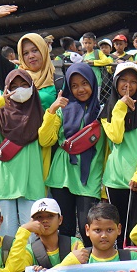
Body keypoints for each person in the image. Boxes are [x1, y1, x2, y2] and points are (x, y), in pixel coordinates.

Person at [0, 69, 60, 237]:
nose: (19, 90)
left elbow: (46, 140)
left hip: (32, 182)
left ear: (32, 88)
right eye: (14, 86)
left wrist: (51, 113)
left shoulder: (42, 115)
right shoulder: (0, 114)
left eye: (24, 85)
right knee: (5, 235)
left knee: (32, 237)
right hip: (4, 183)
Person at [45, 64, 105, 242]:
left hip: (90, 175)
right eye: (74, 85)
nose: (80, 89)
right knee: (65, 228)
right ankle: (67, 260)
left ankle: (91, 259)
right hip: (62, 175)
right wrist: (52, 110)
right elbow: (45, 139)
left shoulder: (102, 112)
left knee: (88, 227)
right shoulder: (62, 110)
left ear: (93, 83)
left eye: (85, 83)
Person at [101, 63, 137, 245]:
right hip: (114, 180)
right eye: (123, 80)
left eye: (133, 81)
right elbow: (116, 137)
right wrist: (120, 107)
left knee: (136, 236)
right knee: (116, 236)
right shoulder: (106, 111)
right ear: (115, 82)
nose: (128, 85)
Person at [0, 5, 61, 111]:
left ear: (44, 51)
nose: (31, 56)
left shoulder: (58, 80)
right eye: (25, 53)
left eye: (35, 50)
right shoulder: (12, 74)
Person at [4, 198, 86, 272]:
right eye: (39, 217)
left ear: (60, 220)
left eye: (50, 216)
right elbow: (14, 270)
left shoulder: (74, 243)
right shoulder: (30, 250)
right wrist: (24, 230)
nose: (45, 220)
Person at [57, 202, 137, 265]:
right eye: (98, 230)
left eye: (109, 230)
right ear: (87, 230)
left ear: (119, 229)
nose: (104, 235)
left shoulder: (132, 259)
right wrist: (69, 262)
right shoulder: (78, 260)